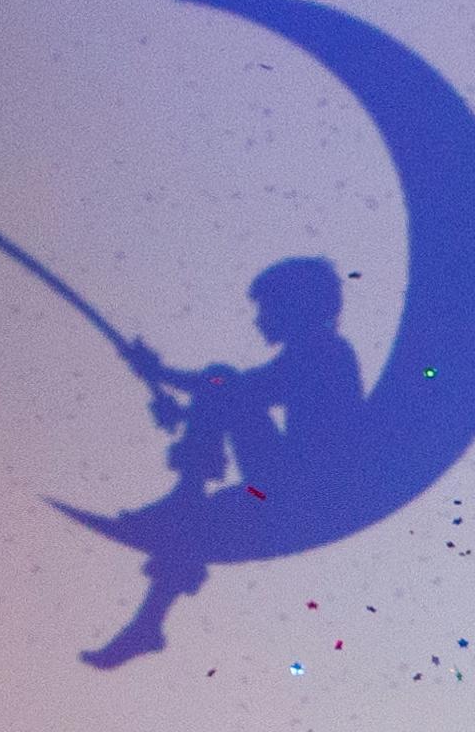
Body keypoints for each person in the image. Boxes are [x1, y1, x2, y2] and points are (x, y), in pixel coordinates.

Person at [84, 256, 364, 668]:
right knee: (196, 522)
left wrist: (164, 375)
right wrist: (184, 402)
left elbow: (234, 388)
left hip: (293, 490)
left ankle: (184, 496)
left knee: (220, 381)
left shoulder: (322, 353)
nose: (259, 320)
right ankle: (148, 623)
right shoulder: (310, 352)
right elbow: (233, 394)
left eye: (267, 308)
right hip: (279, 486)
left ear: (296, 307)